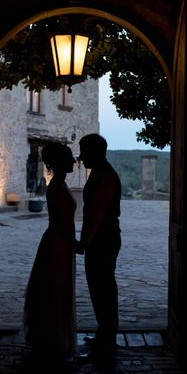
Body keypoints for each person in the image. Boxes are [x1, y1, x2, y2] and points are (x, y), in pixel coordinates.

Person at [23, 142, 79, 366]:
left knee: (56, 289)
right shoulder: (56, 187)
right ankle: (51, 342)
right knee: (54, 290)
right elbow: (58, 223)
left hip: (61, 243)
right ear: (59, 162)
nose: (74, 161)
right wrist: (74, 243)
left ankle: (52, 342)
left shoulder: (59, 184)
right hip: (58, 244)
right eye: (69, 157)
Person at [76, 133, 121, 360]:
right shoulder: (101, 173)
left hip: (103, 240)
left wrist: (84, 242)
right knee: (100, 288)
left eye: (84, 151)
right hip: (101, 239)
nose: (81, 157)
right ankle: (104, 334)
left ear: (95, 151)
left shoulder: (104, 177)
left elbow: (97, 214)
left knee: (102, 288)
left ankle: (106, 341)